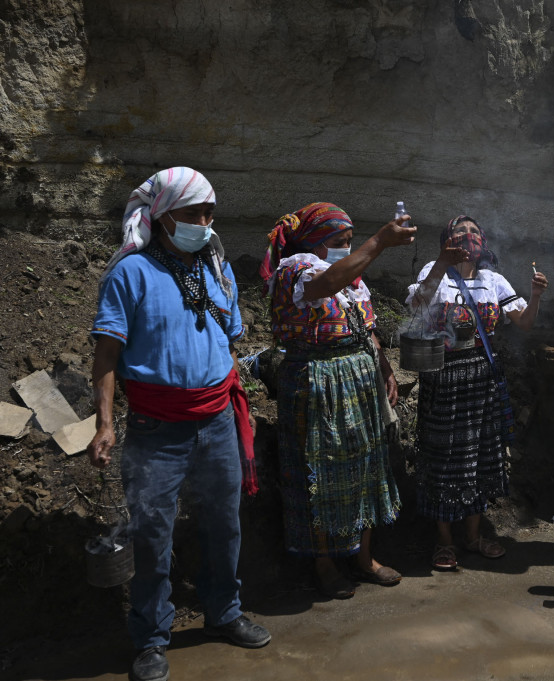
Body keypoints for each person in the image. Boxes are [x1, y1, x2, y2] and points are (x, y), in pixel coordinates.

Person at [87, 167, 270, 681]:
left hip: (216, 422)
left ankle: (224, 613)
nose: (204, 223)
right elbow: (106, 355)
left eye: (210, 213)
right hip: (156, 431)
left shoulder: (216, 270)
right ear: (162, 216)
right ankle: (150, 637)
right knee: (151, 537)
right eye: (193, 214)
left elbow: (228, 334)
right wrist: (104, 424)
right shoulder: (130, 274)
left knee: (224, 524)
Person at [260, 202, 415, 598]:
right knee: (320, 471)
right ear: (314, 242)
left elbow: (365, 326)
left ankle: (363, 558)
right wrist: (378, 240)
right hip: (317, 382)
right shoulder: (296, 270)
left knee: (365, 467)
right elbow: (326, 284)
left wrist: (384, 369)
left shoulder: (352, 277)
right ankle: (324, 563)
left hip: (358, 380)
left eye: (351, 241)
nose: (347, 249)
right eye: (339, 242)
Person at [406, 215, 547, 570]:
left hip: (482, 379)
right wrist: (441, 262)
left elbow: (525, 323)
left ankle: (472, 537)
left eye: (474, 232)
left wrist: (535, 296)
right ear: (446, 242)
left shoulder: (493, 281)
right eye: (460, 232)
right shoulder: (433, 272)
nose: (468, 237)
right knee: (443, 460)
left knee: (481, 458)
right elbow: (416, 306)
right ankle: (443, 541)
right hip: (443, 377)